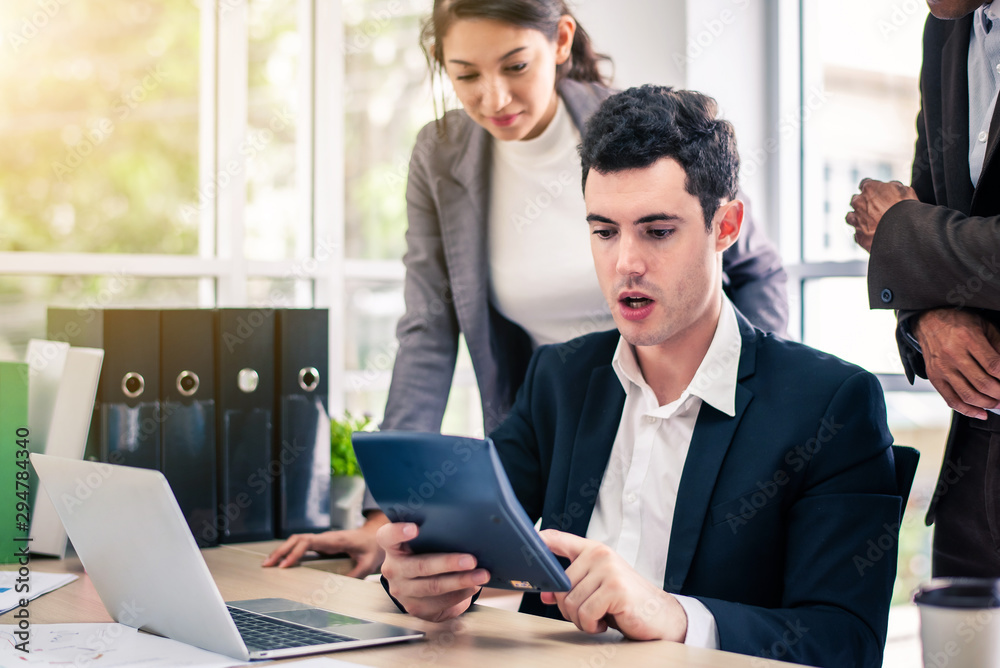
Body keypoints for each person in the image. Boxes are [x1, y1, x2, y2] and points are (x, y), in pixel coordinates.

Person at [377, 85, 905, 666]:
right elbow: (465, 538)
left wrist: (673, 616)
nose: (625, 262)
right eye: (604, 231)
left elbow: (845, 642)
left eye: (657, 231)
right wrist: (416, 580)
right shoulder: (559, 378)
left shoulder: (831, 405)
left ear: (725, 226)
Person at [265, 0, 788, 575]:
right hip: (561, 428)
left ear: (561, 41)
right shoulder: (441, 156)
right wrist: (386, 518)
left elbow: (754, 268)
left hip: (685, 406)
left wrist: (753, 403)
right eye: (465, 74)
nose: (492, 97)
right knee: (559, 603)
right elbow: (427, 333)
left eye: (515, 66)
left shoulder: (640, 135)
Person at [845, 0, 1000, 577]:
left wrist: (898, 232)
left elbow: (909, 221)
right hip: (976, 470)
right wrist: (926, 320)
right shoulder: (945, 30)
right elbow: (929, 201)